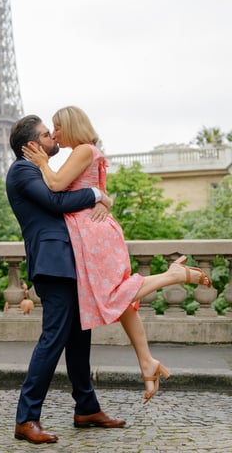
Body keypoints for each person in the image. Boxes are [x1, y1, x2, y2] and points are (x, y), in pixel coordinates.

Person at [21, 105, 212, 407]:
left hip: (92, 235)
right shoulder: (88, 152)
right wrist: (102, 198)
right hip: (93, 233)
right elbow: (98, 192)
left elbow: (56, 186)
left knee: (113, 294)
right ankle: (146, 362)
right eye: (50, 131)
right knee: (121, 298)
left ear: (71, 125)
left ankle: (174, 276)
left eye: (57, 127)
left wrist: (44, 163)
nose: (55, 134)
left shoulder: (83, 150)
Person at [6, 114, 126, 445]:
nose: (53, 138)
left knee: (78, 337)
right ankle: (26, 418)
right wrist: (96, 195)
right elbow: (57, 202)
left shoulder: (40, 170)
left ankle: (86, 408)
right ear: (32, 145)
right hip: (52, 263)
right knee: (53, 339)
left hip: (69, 261)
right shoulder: (23, 171)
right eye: (47, 135)